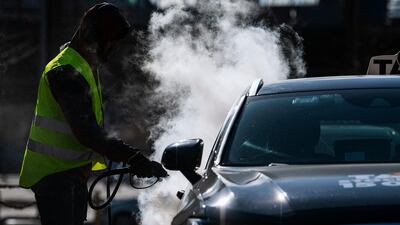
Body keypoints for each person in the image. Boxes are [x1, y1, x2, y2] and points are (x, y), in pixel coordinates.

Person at [19, 3, 168, 225]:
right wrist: (133, 157)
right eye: (109, 43)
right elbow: (88, 133)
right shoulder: (65, 72)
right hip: (55, 178)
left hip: (67, 176)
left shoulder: (82, 67)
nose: (112, 50)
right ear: (91, 38)